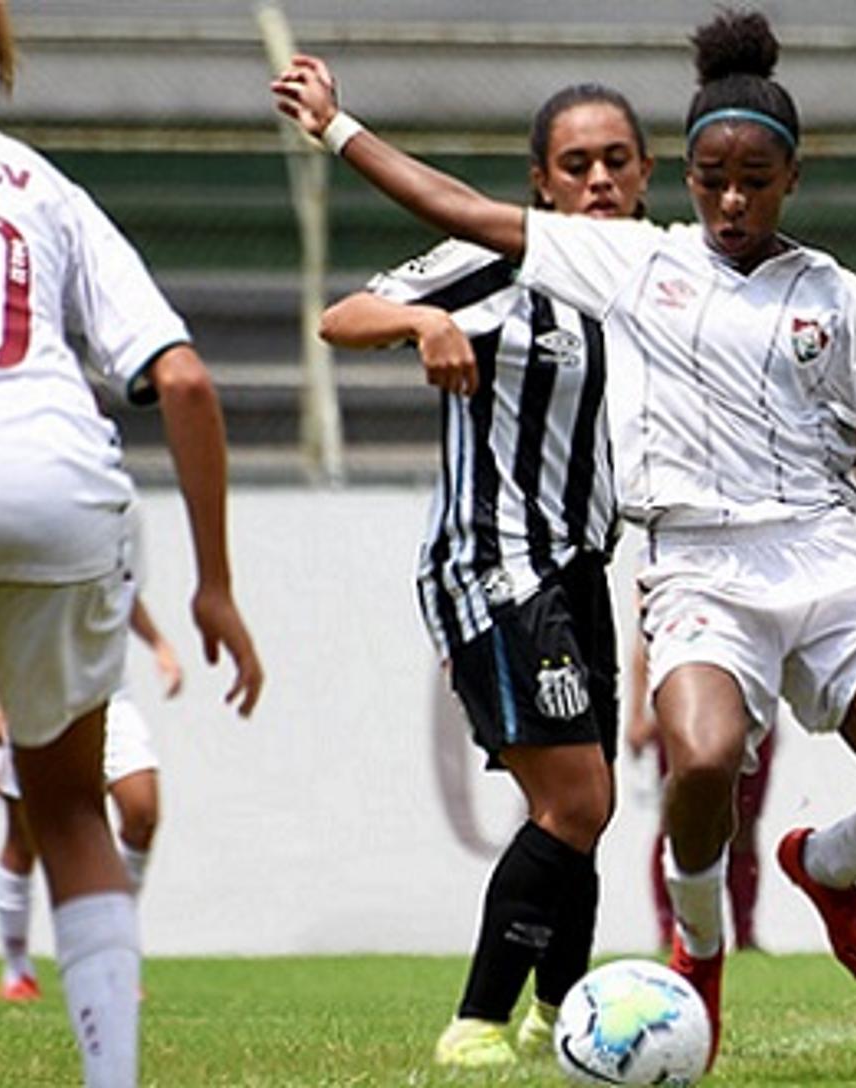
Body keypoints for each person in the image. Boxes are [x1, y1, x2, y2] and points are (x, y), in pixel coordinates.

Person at [272, 8, 856, 1068]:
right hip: (698, 568)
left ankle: (823, 865)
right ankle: (702, 947)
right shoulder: (633, 261)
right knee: (703, 759)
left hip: (827, 562)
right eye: (713, 177)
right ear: (686, 175)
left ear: (791, 176)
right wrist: (336, 128)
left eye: (756, 178)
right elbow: (455, 208)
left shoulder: (838, 294)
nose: (732, 199)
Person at [0, 2, 264, 1085]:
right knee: (74, 807)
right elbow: (185, 378)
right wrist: (214, 584)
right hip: (62, 491)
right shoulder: (36, 181)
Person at [317, 83, 649, 1071]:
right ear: (541, 181)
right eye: (577, 164)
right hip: (496, 561)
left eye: (616, 160)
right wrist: (420, 326)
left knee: (587, 805)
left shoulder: (655, 273)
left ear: (644, 173)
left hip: (583, 564)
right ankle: (476, 1020)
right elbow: (343, 315)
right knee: (577, 799)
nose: (598, 179)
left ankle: (562, 1015)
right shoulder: (494, 260)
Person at [0, 589, 184, 1004]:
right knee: (26, 839)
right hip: (30, 690)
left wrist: (159, 643)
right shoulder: (25, 531)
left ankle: (113, 958)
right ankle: (17, 966)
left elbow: (124, 588)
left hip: (108, 692)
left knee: (141, 810)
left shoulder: (114, 528)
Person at [625, 635, 776, 952]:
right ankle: (672, 930)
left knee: (743, 823)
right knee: (679, 818)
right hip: (689, 706)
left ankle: (745, 932)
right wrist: (638, 714)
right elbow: (644, 642)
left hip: (751, 708)